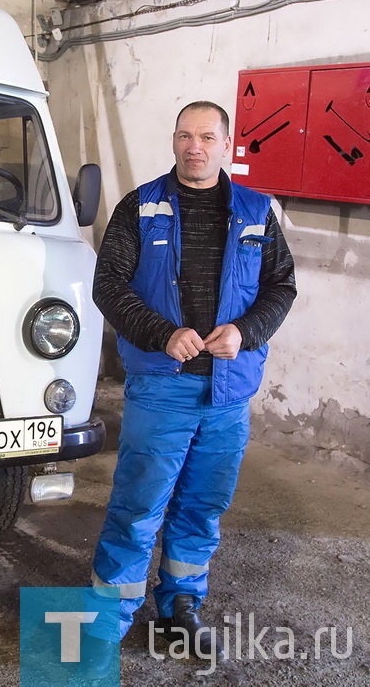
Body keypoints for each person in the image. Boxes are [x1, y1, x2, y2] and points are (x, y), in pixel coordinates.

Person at [83, 100, 297, 667]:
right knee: (139, 506)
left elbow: (282, 287)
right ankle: (107, 622)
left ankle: (181, 608)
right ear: (174, 141)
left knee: (202, 508)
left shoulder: (256, 210)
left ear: (227, 143)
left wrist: (247, 331)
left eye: (206, 136)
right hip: (163, 385)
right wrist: (160, 333)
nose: (193, 146)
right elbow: (109, 286)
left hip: (228, 392)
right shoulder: (141, 207)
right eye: (183, 135)